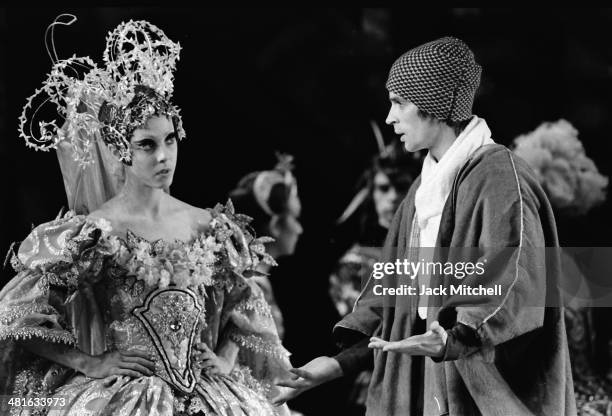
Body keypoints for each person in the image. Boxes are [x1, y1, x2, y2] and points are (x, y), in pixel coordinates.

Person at [0, 16, 290, 416]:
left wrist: (223, 357)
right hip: (126, 397)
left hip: (209, 394)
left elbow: (248, 306)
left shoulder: (209, 225)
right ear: (122, 151)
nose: (163, 156)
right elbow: (15, 315)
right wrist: (89, 361)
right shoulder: (93, 233)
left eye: (170, 140)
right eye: (147, 145)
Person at [274, 36, 576, 415]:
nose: (390, 117)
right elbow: (392, 296)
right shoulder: (422, 192)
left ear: (435, 104)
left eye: (399, 101)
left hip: (482, 395)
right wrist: (336, 364)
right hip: (423, 391)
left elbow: (514, 284)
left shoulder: (499, 177)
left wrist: (454, 335)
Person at [328, 142, 420, 414]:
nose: (392, 197)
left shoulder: (434, 253)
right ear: (371, 193)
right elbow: (366, 333)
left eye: (401, 187)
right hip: (375, 377)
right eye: (383, 188)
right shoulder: (353, 264)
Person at [229, 154, 303, 340]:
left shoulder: (255, 282)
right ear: (276, 226)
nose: (300, 229)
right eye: (295, 219)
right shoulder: (249, 288)